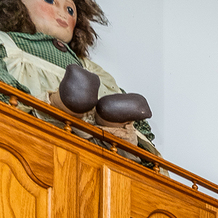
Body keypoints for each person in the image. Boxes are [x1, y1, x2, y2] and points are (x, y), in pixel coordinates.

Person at [0, 0, 156, 151]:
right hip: (30, 126)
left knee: (94, 89)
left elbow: (109, 89)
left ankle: (111, 121)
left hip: (85, 138)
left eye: (70, 10)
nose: (62, 13)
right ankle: (62, 103)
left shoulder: (85, 65)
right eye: (50, 1)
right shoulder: (6, 43)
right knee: (71, 92)